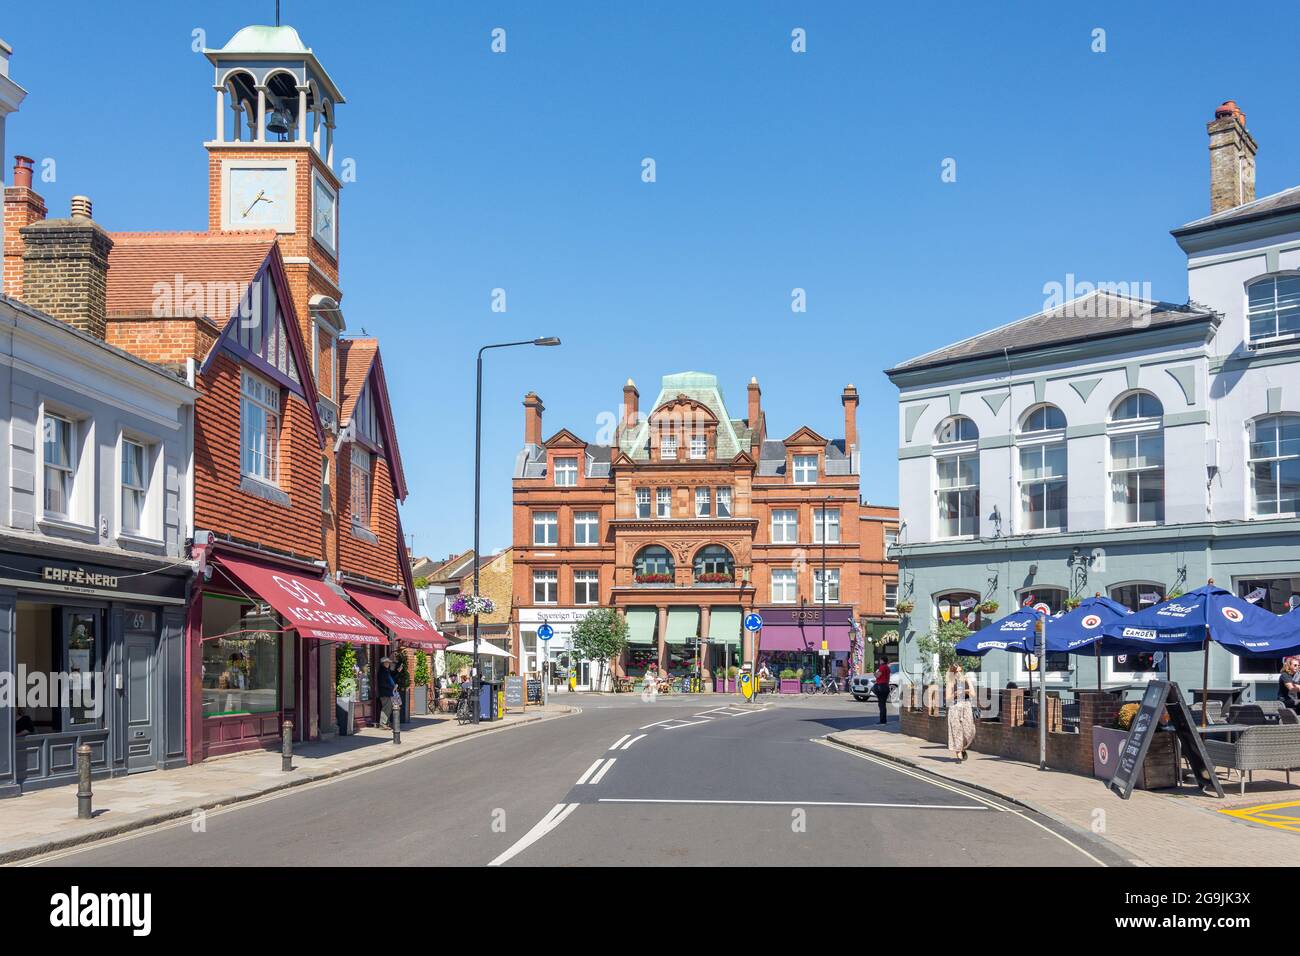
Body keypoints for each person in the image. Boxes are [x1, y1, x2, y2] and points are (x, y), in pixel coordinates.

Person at [945, 663, 977, 761]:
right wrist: (955, 694)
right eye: (956, 671)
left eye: (960, 671)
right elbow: (947, 699)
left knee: (970, 730)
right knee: (956, 730)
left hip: (966, 706)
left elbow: (973, 694)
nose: (959, 673)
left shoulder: (967, 680)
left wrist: (966, 692)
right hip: (954, 707)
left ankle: (962, 747)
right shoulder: (950, 683)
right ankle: (958, 752)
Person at [378, 656, 399, 729]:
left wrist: (397, 671)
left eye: (388, 663)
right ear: (383, 663)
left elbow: (392, 678)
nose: (388, 664)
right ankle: (382, 723)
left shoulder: (387, 671)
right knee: (386, 708)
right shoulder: (382, 672)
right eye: (386, 663)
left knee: (389, 708)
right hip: (385, 693)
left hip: (389, 693)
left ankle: (386, 722)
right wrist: (392, 687)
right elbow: (382, 684)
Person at [873, 658, 891, 725]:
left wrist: (874, 673)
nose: (879, 661)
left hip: (881, 686)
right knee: (883, 704)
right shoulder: (887, 667)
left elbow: (877, 675)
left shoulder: (882, 667)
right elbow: (887, 678)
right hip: (886, 686)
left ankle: (882, 721)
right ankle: (884, 720)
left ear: (882, 661)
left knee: (881, 704)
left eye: (880, 660)